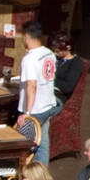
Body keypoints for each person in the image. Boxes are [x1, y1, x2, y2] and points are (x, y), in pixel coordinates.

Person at [15, 21, 58, 164]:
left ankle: (29, 176)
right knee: (43, 142)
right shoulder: (49, 53)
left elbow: (31, 85)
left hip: (35, 108)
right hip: (48, 104)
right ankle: (42, 175)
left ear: (26, 37)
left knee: (24, 146)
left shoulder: (29, 59)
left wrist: (27, 113)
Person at [50, 32, 84, 108]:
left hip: (59, 97)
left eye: (58, 51)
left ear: (68, 48)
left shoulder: (76, 63)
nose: (55, 53)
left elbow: (68, 86)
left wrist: (51, 79)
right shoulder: (57, 59)